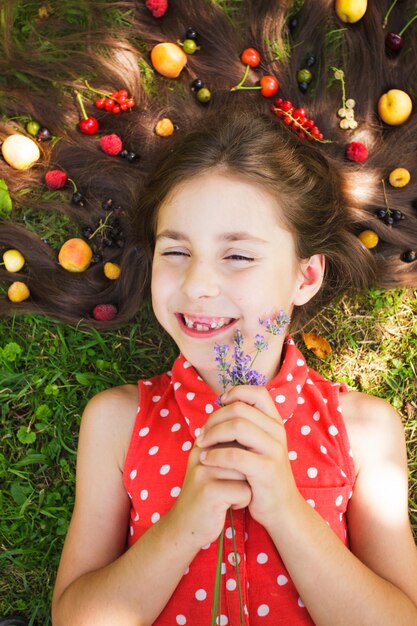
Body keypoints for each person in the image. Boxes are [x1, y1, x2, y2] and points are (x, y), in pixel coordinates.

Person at [0, 1, 416, 625]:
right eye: (177, 252)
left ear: (304, 277)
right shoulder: (119, 421)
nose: (198, 286)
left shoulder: (362, 431)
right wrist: (188, 519)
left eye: (239, 256)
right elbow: (77, 618)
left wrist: (284, 507)